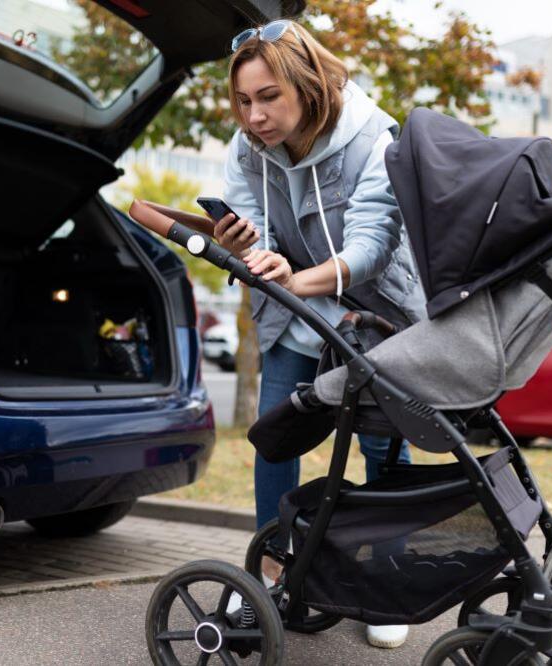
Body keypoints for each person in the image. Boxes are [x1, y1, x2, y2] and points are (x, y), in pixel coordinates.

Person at [215, 19, 427, 649]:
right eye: (244, 101)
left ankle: (382, 580)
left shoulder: (375, 139)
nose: (254, 116)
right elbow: (248, 219)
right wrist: (243, 245)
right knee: (276, 441)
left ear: (307, 85)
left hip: (372, 312)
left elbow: (371, 245)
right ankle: (271, 571)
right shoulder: (247, 147)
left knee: (381, 443)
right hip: (291, 316)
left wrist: (300, 276)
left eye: (269, 97)